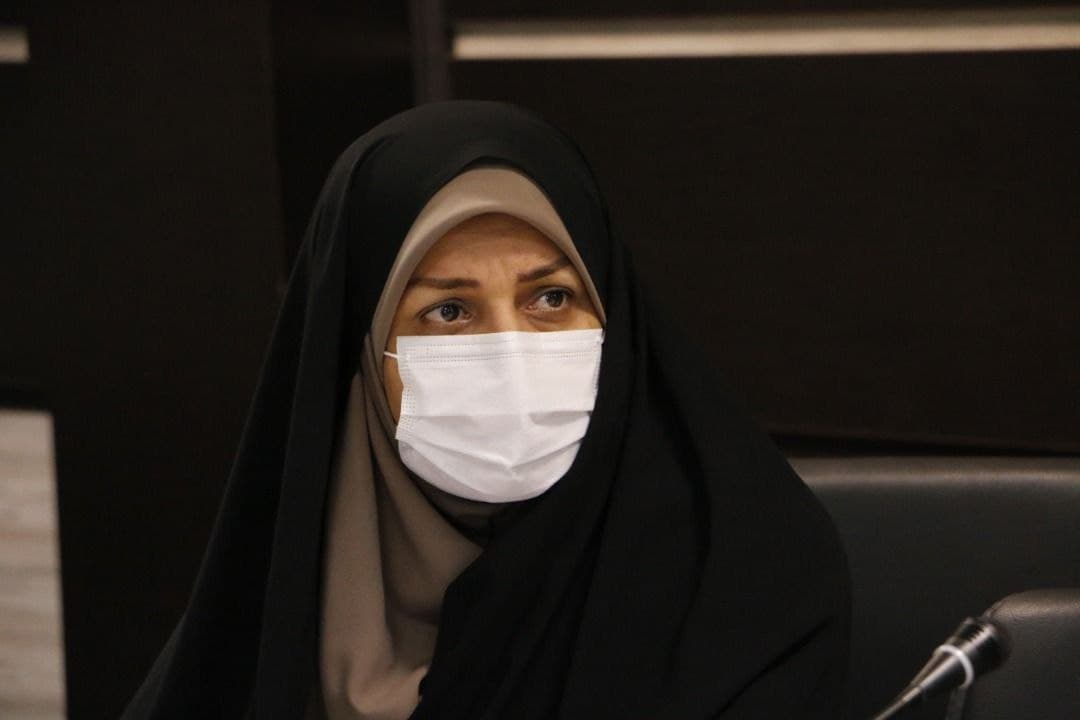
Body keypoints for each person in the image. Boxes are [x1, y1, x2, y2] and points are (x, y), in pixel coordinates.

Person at [123, 101, 850, 719]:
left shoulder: (747, 581)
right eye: (448, 311)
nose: (509, 353)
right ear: (363, 351)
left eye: (551, 298)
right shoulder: (273, 594)